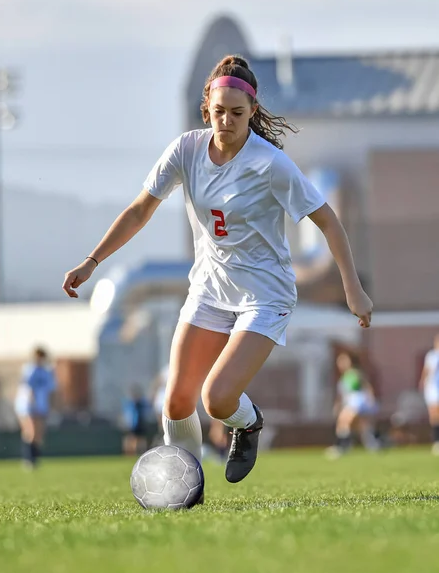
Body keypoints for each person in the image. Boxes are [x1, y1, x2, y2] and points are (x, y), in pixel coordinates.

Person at [63, 55, 372, 486]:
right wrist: (92, 261)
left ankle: (247, 423)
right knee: (175, 402)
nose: (226, 121)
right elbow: (139, 211)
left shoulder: (271, 165)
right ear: (206, 107)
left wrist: (352, 289)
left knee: (218, 398)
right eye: (218, 111)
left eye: (237, 113)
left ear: (253, 112)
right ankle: (185, 490)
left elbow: (328, 222)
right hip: (209, 290)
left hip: (265, 296)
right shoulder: (186, 149)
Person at [326, 351, 379, 458]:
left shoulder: (355, 373)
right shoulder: (343, 378)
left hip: (359, 401)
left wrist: (371, 399)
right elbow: (342, 395)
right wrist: (338, 404)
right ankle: (373, 444)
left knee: (344, 420)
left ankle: (342, 445)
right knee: (360, 426)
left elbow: (366, 387)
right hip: (350, 402)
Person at [14, 347, 56, 469]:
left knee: (39, 434)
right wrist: (31, 401)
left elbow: (51, 390)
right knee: (30, 432)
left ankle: (35, 459)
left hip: (41, 406)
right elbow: (27, 386)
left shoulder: (47, 371)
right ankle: (28, 459)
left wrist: (51, 405)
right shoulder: (29, 369)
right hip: (27, 406)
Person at [122, 384, 157, 456]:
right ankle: (131, 453)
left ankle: (137, 452)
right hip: (134, 424)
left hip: (139, 423)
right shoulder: (132, 403)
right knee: (132, 439)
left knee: (139, 439)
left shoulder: (140, 403)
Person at [419, 333, 439, 455]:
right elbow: (426, 370)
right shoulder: (431, 355)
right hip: (433, 388)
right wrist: (422, 382)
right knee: (434, 414)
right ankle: (437, 441)